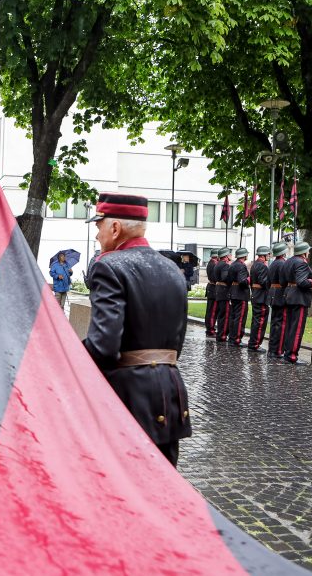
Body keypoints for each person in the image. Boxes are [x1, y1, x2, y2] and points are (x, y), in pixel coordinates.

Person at [83, 193, 191, 467]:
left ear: (115, 228)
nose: (97, 235)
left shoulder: (108, 266)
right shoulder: (172, 269)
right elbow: (177, 343)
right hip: (170, 391)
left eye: (99, 226)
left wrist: (68, 355)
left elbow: (104, 346)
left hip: (128, 395)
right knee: (163, 488)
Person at [282, 241, 312, 364]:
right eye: (307, 251)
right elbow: (302, 282)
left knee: (290, 327)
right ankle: (292, 355)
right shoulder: (301, 263)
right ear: (303, 252)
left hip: (290, 295)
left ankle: (287, 352)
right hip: (299, 298)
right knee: (297, 328)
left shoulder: (289, 261)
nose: (309, 252)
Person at [247, 245, 272, 352]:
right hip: (261, 296)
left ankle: (253, 343)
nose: (269, 256)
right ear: (264, 255)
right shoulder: (262, 266)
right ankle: (255, 344)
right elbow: (264, 282)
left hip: (256, 295)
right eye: (268, 254)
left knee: (256, 321)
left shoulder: (255, 264)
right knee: (260, 322)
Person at [267, 241, 288, 357]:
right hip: (280, 294)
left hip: (273, 294)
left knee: (275, 323)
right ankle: (278, 350)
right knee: (281, 324)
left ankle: (272, 348)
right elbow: (284, 281)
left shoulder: (273, 264)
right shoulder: (282, 264)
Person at [227, 248, 250, 346]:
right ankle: (236, 339)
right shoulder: (241, 266)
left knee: (233, 316)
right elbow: (242, 281)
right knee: (240, 318)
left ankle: (232, 337)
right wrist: (249, 279)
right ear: (244, 256)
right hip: (240, 294)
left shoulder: (233, 265)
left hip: (233, 292)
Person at [213, 247, 232, 342]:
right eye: (229, 254)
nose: (230, 256)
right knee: (225, 315)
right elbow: (225, 277)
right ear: (225, 256)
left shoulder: (217, 264)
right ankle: (222, 335)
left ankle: (220, 334)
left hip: (219, 291)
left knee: (221, 314)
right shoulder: (225, 265)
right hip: (224, 291)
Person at [204, 249, 220, 337]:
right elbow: (215, 278)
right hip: (213, 289)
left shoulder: (212, 263)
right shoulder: (213, 264)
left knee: (211, 311)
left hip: (212, 288)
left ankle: (210, 328)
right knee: (212, 311)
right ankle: (210, 330)